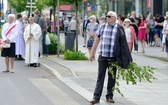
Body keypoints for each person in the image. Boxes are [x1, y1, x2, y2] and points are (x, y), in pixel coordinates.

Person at [89, 11, 132, 104]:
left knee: (112, 77)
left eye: (109, 16)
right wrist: (92, 52)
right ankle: (96, 97)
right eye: (106, 16)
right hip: (103, 56)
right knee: (100, 77)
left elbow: (123, 44)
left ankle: (109, 96)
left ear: (114, 18)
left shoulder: (119, 28)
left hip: (113, 57)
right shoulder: (102, 26)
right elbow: (97, 39)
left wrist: (126, 57)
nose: (107, 18)